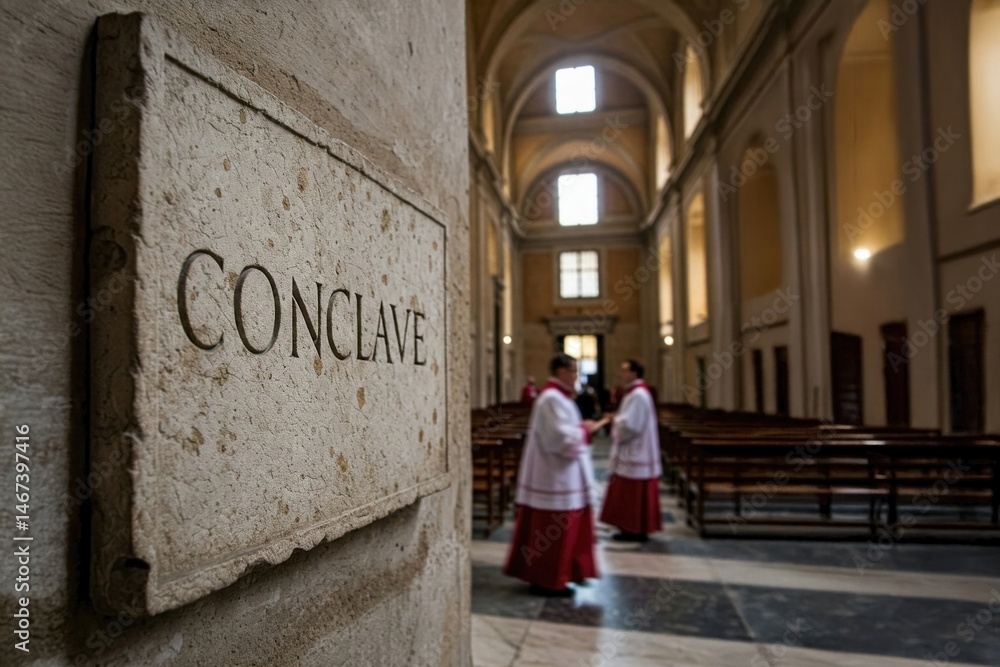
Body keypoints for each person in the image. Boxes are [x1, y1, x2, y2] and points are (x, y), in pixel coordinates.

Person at [503, 354, 609, 596]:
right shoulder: (551, 399)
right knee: (552, 531)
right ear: (561, 372)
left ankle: (566, 573)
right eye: (573, 371)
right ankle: (547, 580)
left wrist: (581, 429)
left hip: (563, 474)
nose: (576, 376)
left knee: (564, 531)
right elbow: (557, 438)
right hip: (554, 477)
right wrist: (585, 430)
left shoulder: (559, 398)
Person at [599, 359, 662, 542]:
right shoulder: (635, 393)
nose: (620, 374)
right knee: (628, 493)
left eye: (624, 370)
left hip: (635, 452)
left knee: (631, 493)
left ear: (635, 373)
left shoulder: (638, 395)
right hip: (635, 450)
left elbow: (632, 425)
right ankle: (632, 527)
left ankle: (633, 529)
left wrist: (615, 421)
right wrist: (619, 418)